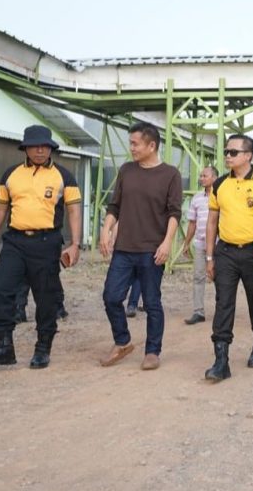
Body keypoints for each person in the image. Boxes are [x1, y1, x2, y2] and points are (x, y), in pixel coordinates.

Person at [0, 125, 82, 369]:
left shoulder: (64, 176)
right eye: (34, 146)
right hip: (15, 241)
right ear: (25, 148)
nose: (40, 150)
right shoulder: (11, 174)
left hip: (47, 243)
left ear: (51, 148)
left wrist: (75, 244)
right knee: (2, 289)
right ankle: (3, 346)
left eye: (44, 146)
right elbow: (0, 208)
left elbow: (74, 210)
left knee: (46, 297)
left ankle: (43, 348)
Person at [98, 122, 182, 371]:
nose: (131, 148)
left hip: (152, 249)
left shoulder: (170, 174)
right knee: (111, 296)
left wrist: (167, 243)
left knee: (152, 302)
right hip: (124, 248)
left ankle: (153, 351)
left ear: (151, 145)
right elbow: (115, 206)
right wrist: (106, 229)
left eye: (135, 143)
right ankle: (122, 341)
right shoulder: (126, 170)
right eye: (131, 143)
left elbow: (174, 213)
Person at [204, 134, 253, 382]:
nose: (228, 156)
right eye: (226, 152)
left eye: (233, 152)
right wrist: (209, 257)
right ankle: (221, 360)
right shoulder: (219, 185)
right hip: (225, 252)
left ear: (248, 155)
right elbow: (212, 221)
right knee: (223, 303)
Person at [180, 166, 218, 325]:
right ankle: (198, 311)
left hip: (218, 245)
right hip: (200, 244)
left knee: (220, 278)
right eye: (201, 175)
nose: (201, 178)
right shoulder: (196, 198)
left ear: (214, 178)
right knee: (198, 277)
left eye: (205, 175)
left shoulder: (221, 196)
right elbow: (192, 223)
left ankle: (222, 311)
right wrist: (186, 243)